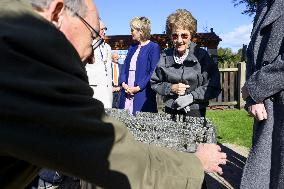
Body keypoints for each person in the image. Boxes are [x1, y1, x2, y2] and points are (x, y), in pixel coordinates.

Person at [0, 0, 227, 189]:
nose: (91, 57)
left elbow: (210, 85)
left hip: (194, 116)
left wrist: (192, 96)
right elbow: (107, 151)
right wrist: (194, 164)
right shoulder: (22, 56)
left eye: (184, 36)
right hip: (170, 114)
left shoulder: (17, 44)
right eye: (93, 37)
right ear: (58, 14)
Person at [240, 0, 284, 188]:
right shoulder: (264, 4)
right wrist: (253, 96)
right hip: (269, 106)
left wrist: (255, 86)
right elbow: (253, 54)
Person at [151, 9, 221, 118]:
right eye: (175, 35)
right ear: (170, 36)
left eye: (184, 35)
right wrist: (171, 88)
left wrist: (191, 97)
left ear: (191, 35)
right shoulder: (164, 56)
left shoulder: (202, 56)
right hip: (171, 110)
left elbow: (214, 85)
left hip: (195, 111)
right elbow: (155, 83)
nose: (179, 40)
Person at [119, 16, 160, 115]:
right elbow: (124, 68)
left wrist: (137, 88)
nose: (131, 32)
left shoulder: (153, 47)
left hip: (142, 94)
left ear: (141, 31)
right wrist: (124, 84)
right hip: (126, 92)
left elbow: (153, 71)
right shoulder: (132, 47)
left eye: (132, 30)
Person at [86, 20, 113, 108]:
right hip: (94, 89)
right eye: (101, 29)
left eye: (105, 29)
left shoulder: (108, 47)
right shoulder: (87, 45)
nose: (104, 32)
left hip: (107, 90)